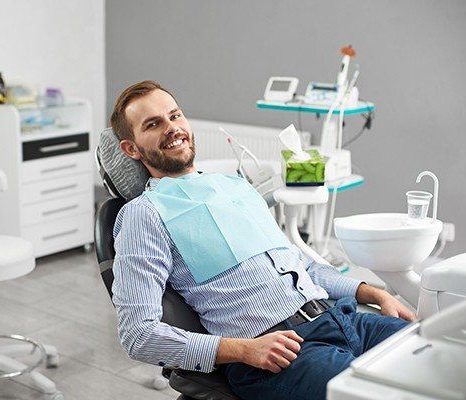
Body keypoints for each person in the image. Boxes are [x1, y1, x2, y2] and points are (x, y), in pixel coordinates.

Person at [109, 80, 416, 400]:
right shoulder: (143, 215)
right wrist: (244, 350)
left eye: (174, 116)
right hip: (279, 355)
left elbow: (301, 265)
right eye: (153, 124)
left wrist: (374, 294)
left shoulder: (235, 186)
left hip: (341, 319)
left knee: (438, 355)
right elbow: (138, 335)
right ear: (132, 148)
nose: (171, 128)